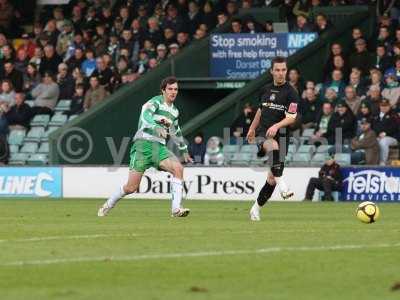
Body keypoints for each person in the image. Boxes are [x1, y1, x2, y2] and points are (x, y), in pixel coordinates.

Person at [98, 76, 193, 217]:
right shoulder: (155, 102)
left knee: (178, 168)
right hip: (143, 145)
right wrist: (156, 127)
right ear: (163, 90)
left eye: (176, 89)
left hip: (159, 148)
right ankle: (108, 205)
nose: (173, 92)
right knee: (131, 188)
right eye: (170, 89)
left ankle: (176, 209)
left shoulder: (174, 111)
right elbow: (145, 116)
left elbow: (175, 130)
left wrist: (184, 150)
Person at [247, 56, 300, 221]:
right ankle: (284, 187)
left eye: (283, 70)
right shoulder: (264, 90)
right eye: (277, 70)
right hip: (264, 134)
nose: (280, 73)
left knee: (271, 179)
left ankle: (255, 209)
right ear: (271, 71)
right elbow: (260, 111)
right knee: (272, 145)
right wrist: (251, 129)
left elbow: (291, 117)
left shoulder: (291, 92)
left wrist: (277, 126)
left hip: (283, 135)